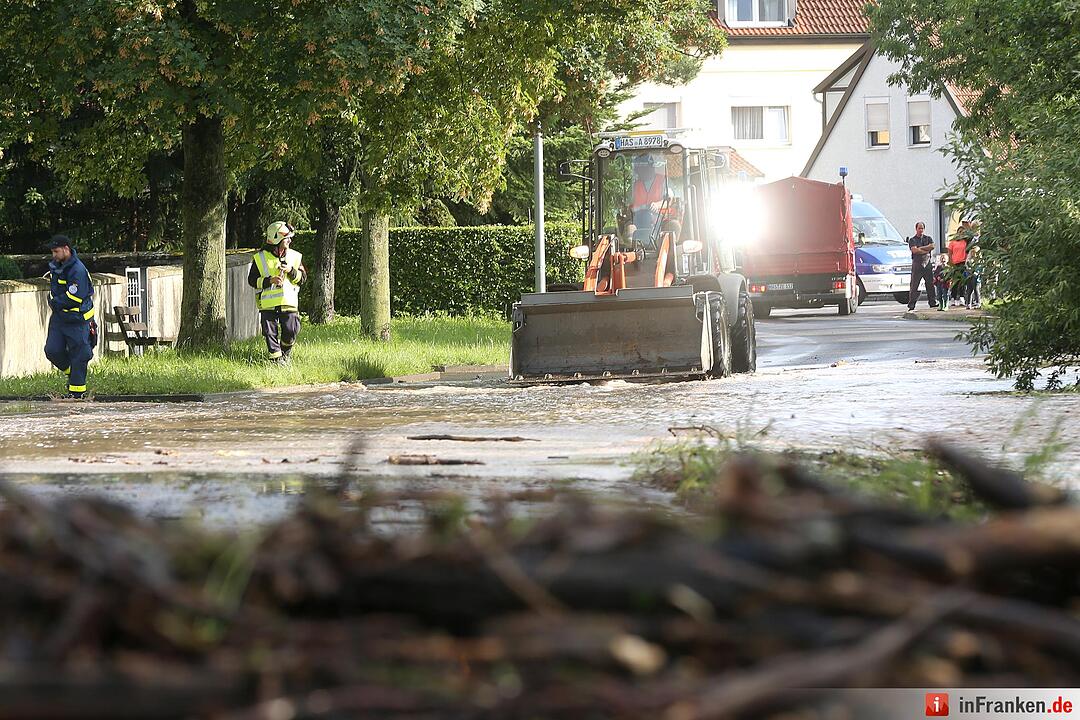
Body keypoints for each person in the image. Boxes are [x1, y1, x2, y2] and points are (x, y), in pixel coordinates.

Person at [43, 235, 97, 398]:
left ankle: (77, 397)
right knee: (52, 350)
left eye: (56, 251)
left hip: (78, 320)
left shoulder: (77, 270)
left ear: (66, 249)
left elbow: (74, 297)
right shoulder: (56, 266)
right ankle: (73, 372)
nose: (54, 255)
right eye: (52, 252)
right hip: (60, 319)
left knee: (79, 356)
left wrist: (54, 302)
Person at [248, 221, 306, 364]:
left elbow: (303, 278)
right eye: (287, 238)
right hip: (268, 304)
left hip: (289, 302)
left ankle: (285, 353)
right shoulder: (260, 258)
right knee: (270, 333)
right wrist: (270, 280)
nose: (290, 240)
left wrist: (291, 271)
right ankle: (276, 360)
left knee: (291, 330)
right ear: (277, 239)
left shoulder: (295, 256)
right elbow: (252, 280)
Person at [906, 221, 936, 311]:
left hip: (927, 263)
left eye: (922, 228)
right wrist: (926, 249)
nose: (921, 230)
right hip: (917, 264)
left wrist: (921, 249)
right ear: (916, 229)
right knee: (914, 285)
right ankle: (911, 305)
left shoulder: (928, 238)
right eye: (919, 228)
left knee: (930, 284)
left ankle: (932, 302)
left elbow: (932, 246)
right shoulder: (912, 240)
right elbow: (914, 251)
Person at [948, 219, 973, 307]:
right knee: (955, 281)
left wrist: (969, 226)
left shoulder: (965, 242)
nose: (961, 233)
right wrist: (950, 262)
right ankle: (953, 298)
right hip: (955, 263)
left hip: (963, 262)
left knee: (963, 281)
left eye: (963, 232)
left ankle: (962, 297)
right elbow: (950, 252)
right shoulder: (953, 242)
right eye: (960, 231)